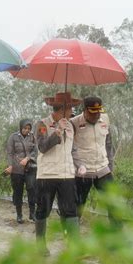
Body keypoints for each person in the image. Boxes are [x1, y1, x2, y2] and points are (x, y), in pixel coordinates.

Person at [34, 92, 81, 255]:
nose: (72, 111)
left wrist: (79, 165)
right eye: (70, 108)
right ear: (62, 109)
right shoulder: (42, 124)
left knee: (70, 210)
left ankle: (73, 246)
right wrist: (57, 131)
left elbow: (72, 149)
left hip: (67, 174)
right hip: (47, 174)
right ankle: (40, 245)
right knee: (43, 210)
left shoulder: (71, 125)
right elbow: (42, 147)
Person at [71, 96, 117, 223]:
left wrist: (110, 166)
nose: (96, 115)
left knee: (114, 204)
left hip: (103, 169)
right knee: (77, 206)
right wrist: (77, 166)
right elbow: (70, 148)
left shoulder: (105, 120)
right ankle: (73, 236)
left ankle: (117, 234)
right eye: (93, 112)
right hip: (82, 172)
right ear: (85, 110)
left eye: (98, 112)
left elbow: (108, 143)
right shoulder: (74, 123)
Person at [5, 119, 37, 223]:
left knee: (32, 189)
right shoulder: (13, 137)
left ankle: (32, 214)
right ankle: (19, 215)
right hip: (16, 169)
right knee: (18, 192)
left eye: (28, 128)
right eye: (24, 128)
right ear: (20, 127)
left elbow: (36, 150)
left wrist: (27, 158)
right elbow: (10, 153)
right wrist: (10, 166)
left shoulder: (32, 137)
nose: (26, 130)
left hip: (30, 168)